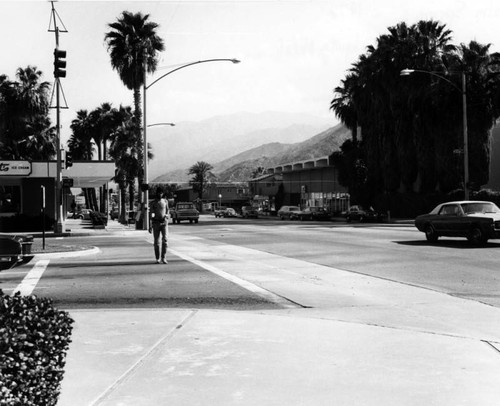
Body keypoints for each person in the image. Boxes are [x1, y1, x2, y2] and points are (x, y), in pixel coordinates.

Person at [149, 189, 169, 264]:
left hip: (164, 223)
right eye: (158, 193)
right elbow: (151, 214)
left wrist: (166, 216)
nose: (160, 194)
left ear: (162, 193)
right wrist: (150, 225)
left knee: (165, 240)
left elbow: (167, 211)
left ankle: (163, 257)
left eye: (161, 193)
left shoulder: (165, 201)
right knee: (156, 242)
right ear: (156, 193)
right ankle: (157, 258)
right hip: (156, 223)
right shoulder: (153, 203)